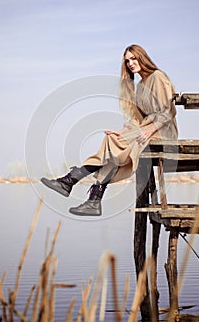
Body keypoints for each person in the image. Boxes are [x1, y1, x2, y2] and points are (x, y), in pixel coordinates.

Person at [41, 44, 178, 216]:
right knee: (111, 140)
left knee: (113, 147)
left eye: (134, 58)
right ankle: (90, 198)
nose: (130, 63)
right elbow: (137, 119)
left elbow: (169, 111)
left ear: (142, 57)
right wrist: (121, 132)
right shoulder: (140, 85)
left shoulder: (157, 77)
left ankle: (74, 183)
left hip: (162, 131)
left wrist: (150, 130)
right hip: (144, 130)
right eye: (127, 61)